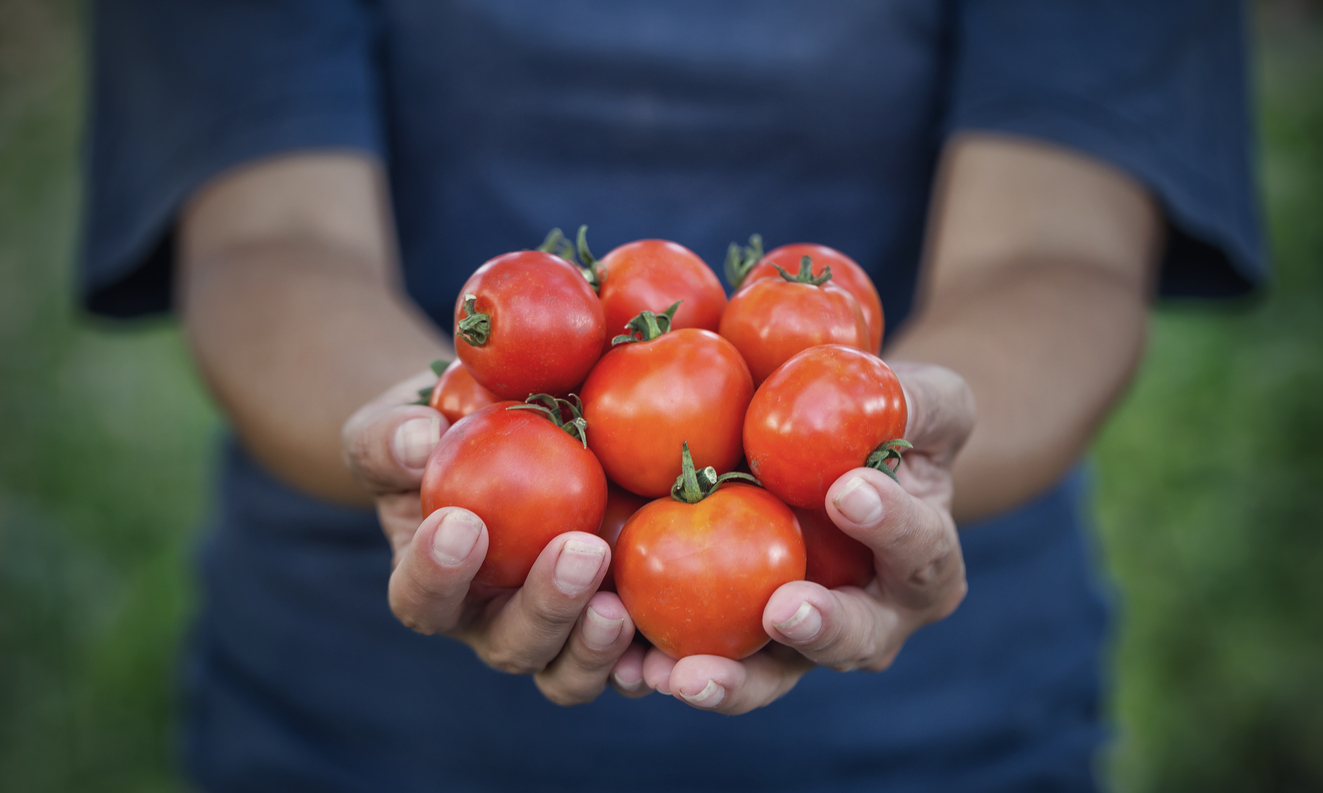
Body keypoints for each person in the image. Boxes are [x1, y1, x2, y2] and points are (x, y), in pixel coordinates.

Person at [81, 1, 1262, 790]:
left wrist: (901, 440)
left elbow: (1060, 252)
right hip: (360, 735)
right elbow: (269, 240)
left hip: (942, 742)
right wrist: (427, 436)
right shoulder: (580, 380)